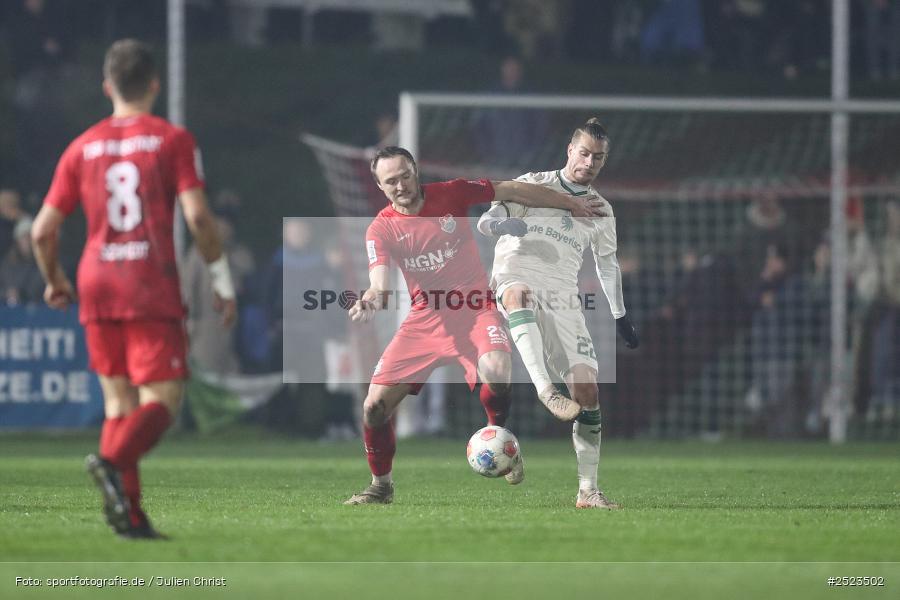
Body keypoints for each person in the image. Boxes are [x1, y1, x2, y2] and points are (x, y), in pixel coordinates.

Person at [30, 39, 236, 539]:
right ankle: (110, 461)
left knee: (120, 404)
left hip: (96, 280)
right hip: (148, 280)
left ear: (107, 87)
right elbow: (198, 216)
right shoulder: (171, 140)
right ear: (154, 85)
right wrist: (220, 276)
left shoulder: (81, 146)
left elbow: (41, 230)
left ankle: (132, 517)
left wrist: (54, 280)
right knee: (163, 402)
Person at [343, 146, 607, 505]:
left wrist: (570, 203)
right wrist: (370, 300)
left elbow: (511, 189)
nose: (401, 185)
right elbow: (379, 284)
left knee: (498, 370)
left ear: (415, 170)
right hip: (425, 320)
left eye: (405, 175)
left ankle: (498, 436)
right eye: (391, 181)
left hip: (475, 310)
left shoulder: (451, 193)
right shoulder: (381, 229)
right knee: (373, 408)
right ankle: (380, 486)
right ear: (379, 185)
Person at [476, 118, 639, 509]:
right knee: (518, 294)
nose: (589, 162)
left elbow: (607, 265)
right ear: (569, 150)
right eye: (584, 153)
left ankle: (588, 491)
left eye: (598, 157)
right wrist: (505, 224)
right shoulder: (534, 183)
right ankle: (545, 390)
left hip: (563, 298)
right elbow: (485, 221)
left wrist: (620, 315)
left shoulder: (601, 208)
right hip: (515, 276)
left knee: (587, 391)